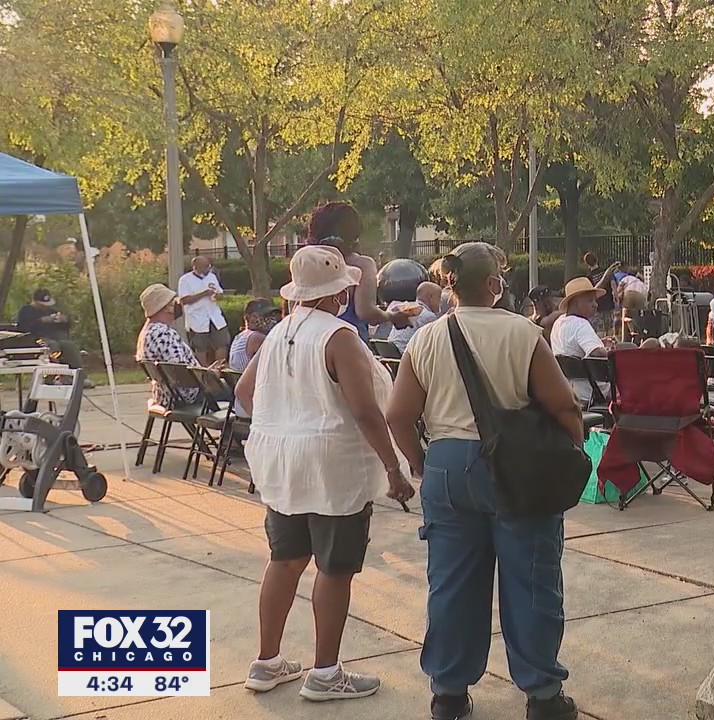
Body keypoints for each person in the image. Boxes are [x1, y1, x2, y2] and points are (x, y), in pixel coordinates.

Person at [384, 242, 582, 720]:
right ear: (494, 284)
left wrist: (421, 463)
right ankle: (542, 694)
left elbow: (398, 415)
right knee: (531, 580)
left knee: (451, 584)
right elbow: (564, 407)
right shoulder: (522, 333)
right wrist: (569, 452)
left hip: (447, 465)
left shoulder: (426, 338)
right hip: (515, 466)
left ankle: (449, 692)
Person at [235, 247, 415, 702]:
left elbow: (243, 390)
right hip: (334, 465)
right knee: (334, 568)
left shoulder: (278, 332)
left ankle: (267, 660)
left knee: (286, 559)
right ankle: (325, 671)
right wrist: (394, 468)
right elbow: (365, 411)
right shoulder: (340, 337)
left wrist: (281, 426)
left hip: (284, 463)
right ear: (343, 290)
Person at [305, 202, 411, 344]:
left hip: (309, 340)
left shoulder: (305, 263)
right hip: (348, 343)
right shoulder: (363, 265)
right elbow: (366, 312)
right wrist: (391, 316)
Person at [135, 284, 207, 409]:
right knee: (239, 392)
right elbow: (183, 375)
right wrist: (209, 377)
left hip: (164, 395)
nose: (178, 304)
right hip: (185, 397)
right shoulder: (164, 333)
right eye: (174, 301)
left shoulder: (146, 332)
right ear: (166, 308)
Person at [551, 277, 615, 405]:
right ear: (576, 302)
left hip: (567, 390)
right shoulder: (580, 323)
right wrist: (610, 350)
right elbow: (597, 352)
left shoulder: (558, 323)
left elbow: (571, 347)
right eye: (590, 300)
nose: (595, 304)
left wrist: (599, 341)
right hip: (590, 392)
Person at [16, 288, 88, 378]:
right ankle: (52, 377)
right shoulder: (26, 311)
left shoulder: (51, 311)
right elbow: (23, 328)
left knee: (69, 345)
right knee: (52, 346)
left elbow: (65, 327)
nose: (45, 307)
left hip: (53, 338)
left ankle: (79, 377)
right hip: (35, 339)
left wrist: (64, 320)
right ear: (35, 301)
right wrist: (40, 321)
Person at [177, 256, 230, 366]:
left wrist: (218, 296)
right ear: (196, 267)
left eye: (209, 266)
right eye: (205, 267)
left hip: (214, 315)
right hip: (197, 318)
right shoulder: (185, 280)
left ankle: (219, 369)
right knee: (201, 347)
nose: (208, 269)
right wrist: (204, 294)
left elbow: (220, 292)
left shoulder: (212, 277)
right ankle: (203, 374)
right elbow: (184, 300)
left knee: (222, 342)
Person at [387, 281, 443, 353]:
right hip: (405, 354)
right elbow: (433, 343)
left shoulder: (405, 307)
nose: (440, 301)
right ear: (430, 297)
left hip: (389, 350)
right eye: (439, 297)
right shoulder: (428, 316)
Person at [229, 298, 281, 372]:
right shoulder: (257, 337)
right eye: (264, 315)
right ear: (248, 317)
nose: (269, 319)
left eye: (271, 315)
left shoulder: (240, 336)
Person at [582, 253, 619, 335]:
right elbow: (613, 284)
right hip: (609, 302)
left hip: (598, 304)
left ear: (587, 264)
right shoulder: (606, 271)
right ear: (596, 260)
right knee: (609, 327)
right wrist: (616, 297)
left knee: (600, 328)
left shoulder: (589, 277)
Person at [613, 269, 648, 338]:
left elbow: (620, 286)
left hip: (629, 294)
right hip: (641, 296)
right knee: (638, 317)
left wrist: (617, 298)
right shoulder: (642, 283)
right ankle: (639, 336)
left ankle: (626, 336)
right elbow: (646, 296)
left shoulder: (628, 278)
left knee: (626, 315)